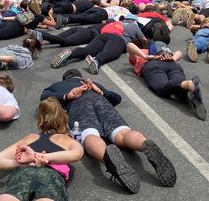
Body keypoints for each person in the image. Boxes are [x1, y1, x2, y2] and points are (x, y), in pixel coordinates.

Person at [41, 69, 176, 194]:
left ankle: (107, 156)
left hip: (78, 105)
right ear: (79, 77)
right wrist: (100, 92)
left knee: (90, 134)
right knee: (122, 133)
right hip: (101, 101)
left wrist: (66, 96)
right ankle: (144, 143)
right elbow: (117, 98)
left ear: (65, 79)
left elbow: (45, 97)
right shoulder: (91, 83)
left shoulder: (57, 85)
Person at [0, 97, 84, 201]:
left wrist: (29, 160)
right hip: (50, 176)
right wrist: (44, 157)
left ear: (40, 119)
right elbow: (77, 154)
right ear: (64, 118)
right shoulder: (67, 140)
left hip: (24, 172)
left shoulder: (30, 138)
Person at [126, 42, 206, 120]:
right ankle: (188, 87)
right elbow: (179, 52)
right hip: (173, 64)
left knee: (161, 87)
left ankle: (187, 84)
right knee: (178, 85)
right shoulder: (165, 51)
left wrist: (146, 56)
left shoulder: (142, 52)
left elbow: (129, 45)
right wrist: (173, 58)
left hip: (153, 64)